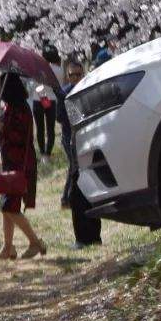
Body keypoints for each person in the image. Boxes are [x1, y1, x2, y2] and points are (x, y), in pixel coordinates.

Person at [0, 71, 46, 261]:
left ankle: (35, 242)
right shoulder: (10, 108)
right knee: (6, 206)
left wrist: (1, 126)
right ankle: (8, 248)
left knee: (10, 207)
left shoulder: (21, 110)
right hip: (11, 163)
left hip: (20, 164)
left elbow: (18, 137)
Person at [58, 58, 102, 248]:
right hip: (73, 143)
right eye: (72, 75)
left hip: (88, 143)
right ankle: (86, 237)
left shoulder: (89, 91)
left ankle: (89, 237)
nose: (75, 78)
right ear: (67, 76)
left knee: (85, 190)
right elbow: (62, 119)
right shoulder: (65, 94)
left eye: (78, 74)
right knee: (78, 189)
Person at [31, 46, 63, 162]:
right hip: (51, 99)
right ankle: (48, 154)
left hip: (38, 98)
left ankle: (42, 152)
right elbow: (60, 84)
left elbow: (32, 83)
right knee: (50, 128)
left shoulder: (38, 68)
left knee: (40, 128)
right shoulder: (59, 70)